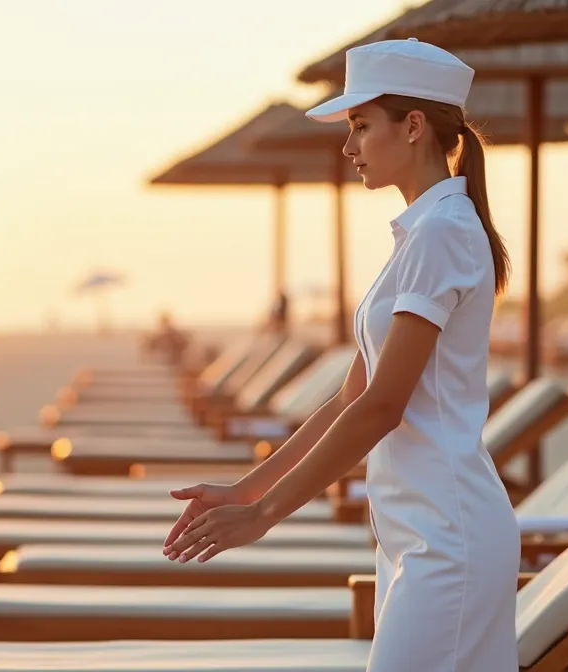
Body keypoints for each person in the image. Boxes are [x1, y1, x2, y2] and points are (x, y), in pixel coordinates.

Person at [162, 38, 519, 670]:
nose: (348, 146)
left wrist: (267, 514)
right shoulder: (420, 236)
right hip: (414, 531)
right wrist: (246, 492)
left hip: (449, 536)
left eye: (360, 126)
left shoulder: (441, 234)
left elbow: (383, 407)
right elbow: (351, 397)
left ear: (412, 127)